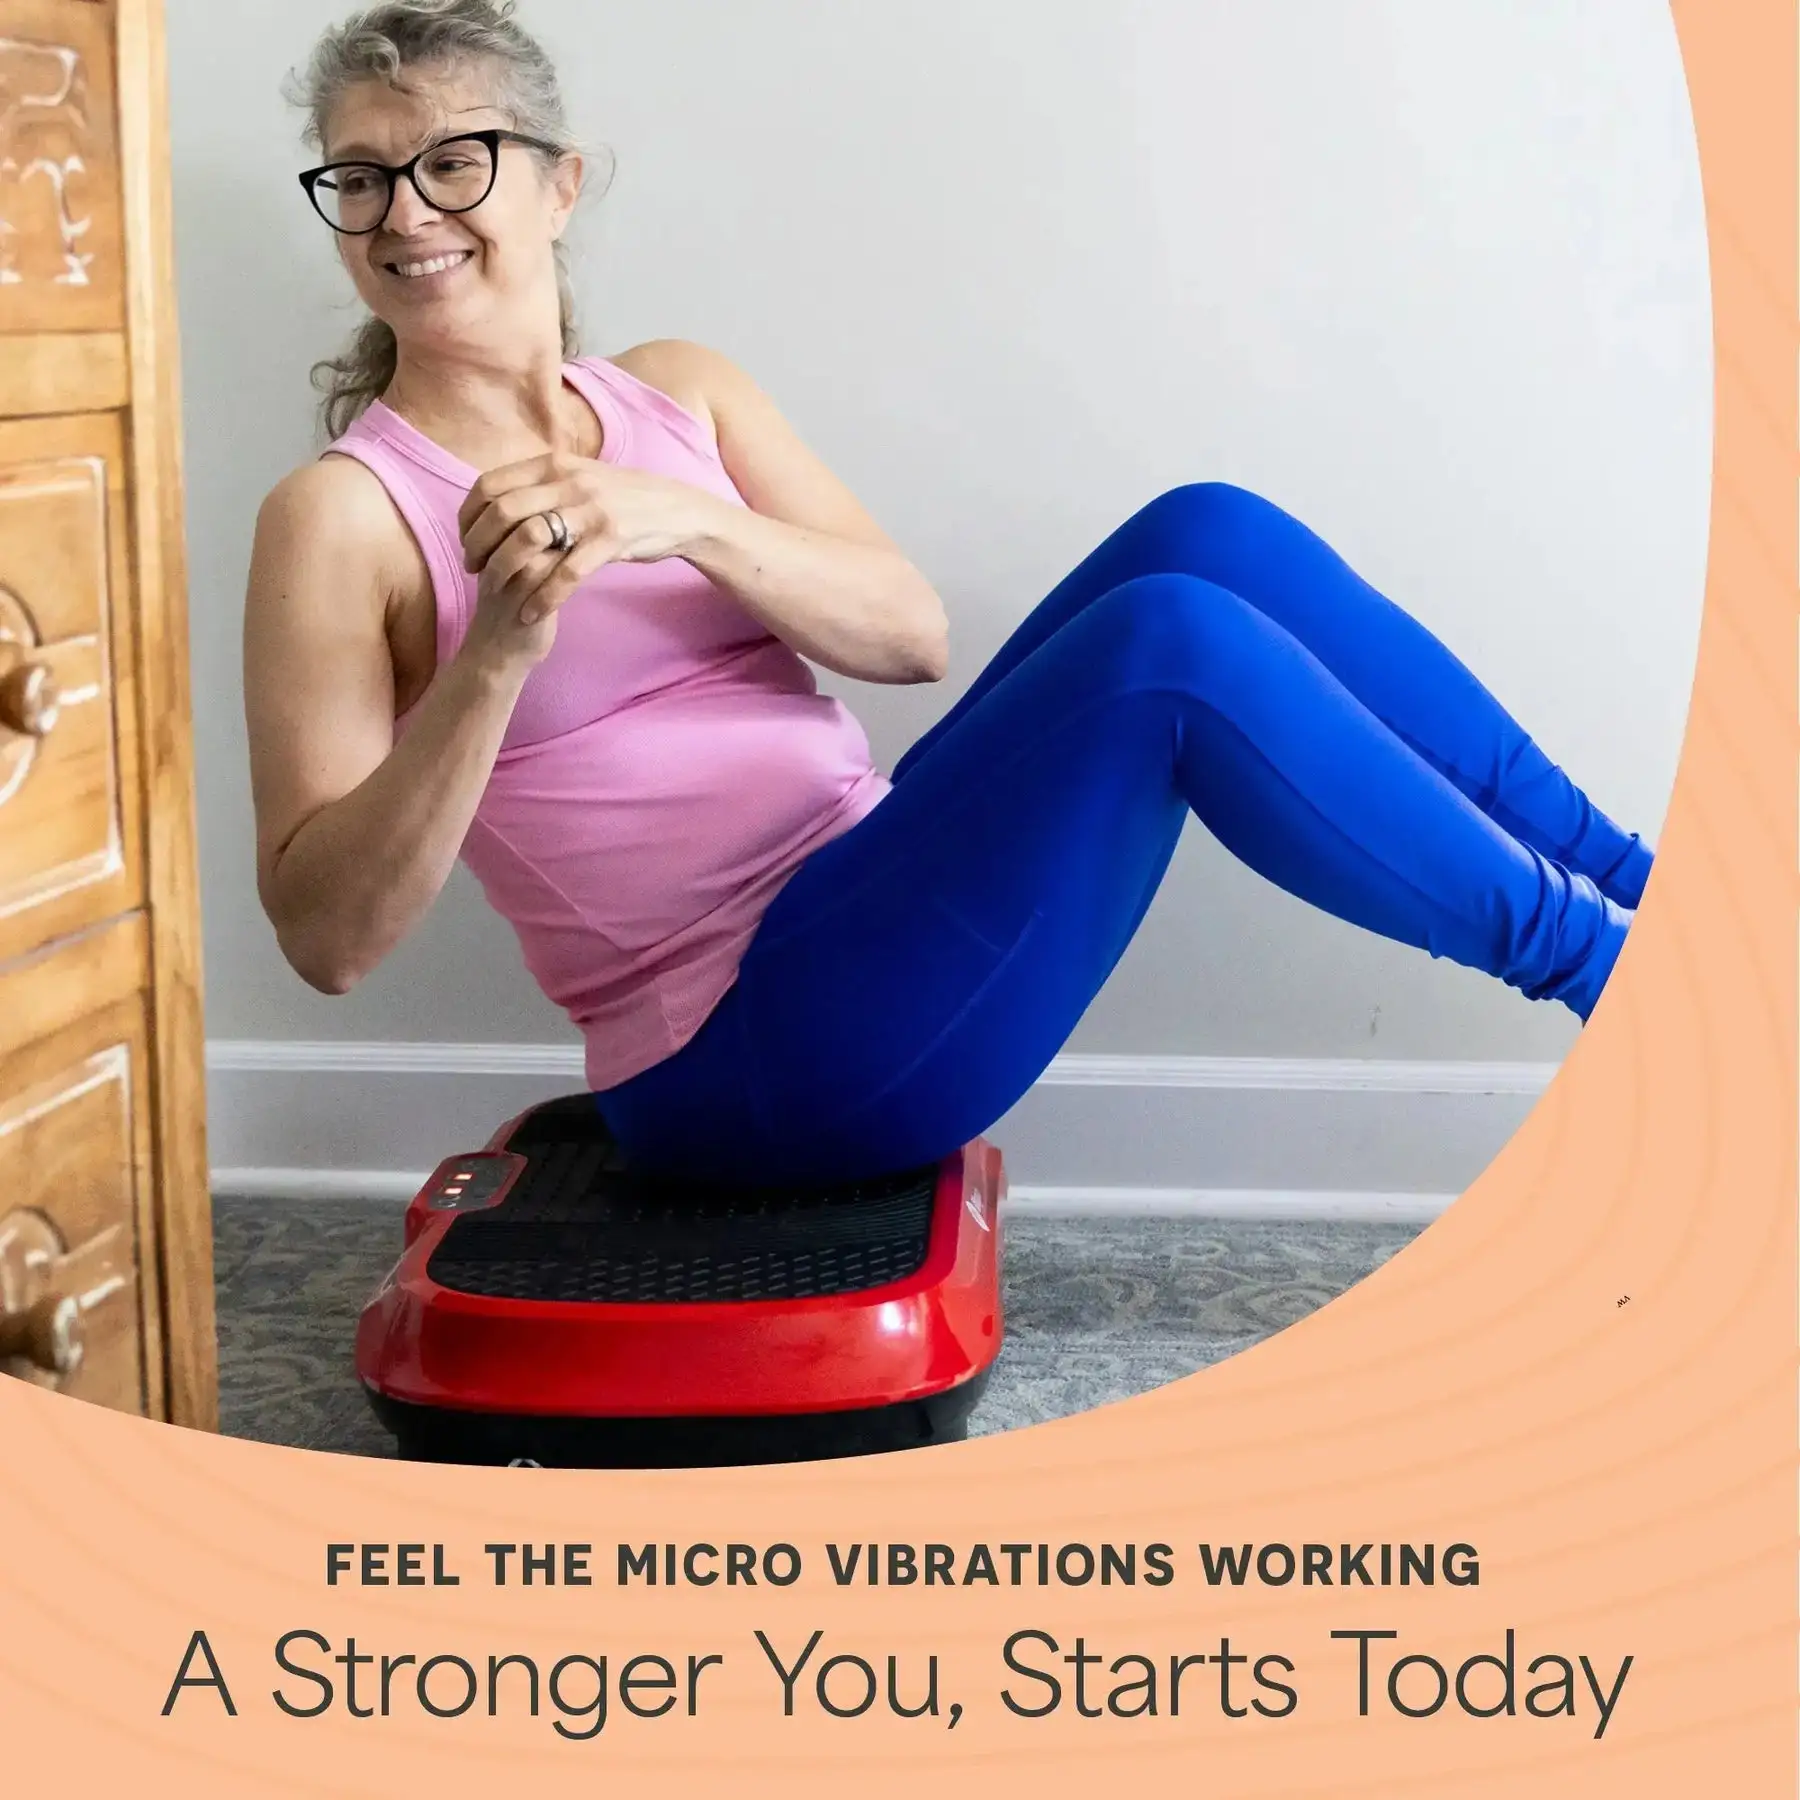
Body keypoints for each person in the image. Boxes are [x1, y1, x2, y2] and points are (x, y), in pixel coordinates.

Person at [245, 0, 1652, 1187]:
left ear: (560, 186)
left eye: (454, 161)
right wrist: (494, 657)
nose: (405, 213)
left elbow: (909, 639)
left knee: (1207, 534)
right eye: (361, 178)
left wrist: (687, 521)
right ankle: (1624, 990)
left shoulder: (681, 393)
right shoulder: (344, 518)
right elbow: (327, 943)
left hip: (874, 890)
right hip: (741, 1042)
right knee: (1169, 644)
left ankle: (1651, 888)